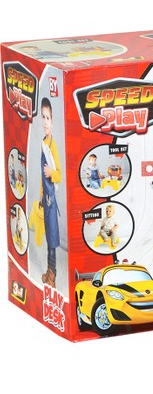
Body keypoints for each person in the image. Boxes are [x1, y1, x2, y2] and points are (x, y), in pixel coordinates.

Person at [39, 97, 61, 288]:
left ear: (52, 121)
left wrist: (51, 173)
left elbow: (59, 174)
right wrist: (40, 195)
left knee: (52, 237)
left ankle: (53, 276)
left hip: (51, 199)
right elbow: (41, 176)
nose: (46, 122)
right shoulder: (43, 142)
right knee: (48, 236)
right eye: (43, 117)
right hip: (44, 198)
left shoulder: (52, 145)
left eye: (48, 118)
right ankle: (49, 270)